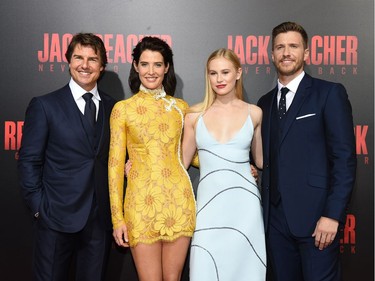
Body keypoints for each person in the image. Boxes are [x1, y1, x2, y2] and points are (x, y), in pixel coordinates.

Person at [257, 22, 357, 281]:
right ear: (271, 54)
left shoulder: (328, 93)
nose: (286, 52)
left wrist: (332, 216)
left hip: (317, 222)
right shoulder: (264, 103)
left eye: (293, 46)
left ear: (307, 53)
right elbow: (263, 158)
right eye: (280, 47)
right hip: (274, 224)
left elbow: (344, 159)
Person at [18, 33, 117, 281]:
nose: (85, 65)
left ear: (102, 66)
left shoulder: (114, 107)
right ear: (68, 61)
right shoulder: (44, 105)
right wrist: (40, 209)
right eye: (78, 57)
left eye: (92, 59)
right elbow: (29, 160)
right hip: (55, 218)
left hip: (98, 221)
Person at [108, 36, 196, 281]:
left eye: (158, 64)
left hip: (179, 202)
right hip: (139, 205)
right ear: (136, 65)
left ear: (167, 67)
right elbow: (115, 166)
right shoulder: (123, 109)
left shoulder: (181, 107)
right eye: (144, 64)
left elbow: (192, 155)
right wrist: (117, 218)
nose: (151, 71)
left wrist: (236, 161)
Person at [182, 48, 266, 281]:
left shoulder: (255, 114)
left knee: (246, 271)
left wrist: (247, 169)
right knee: (204, 269)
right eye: (213, 73)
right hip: (209, 208)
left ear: (238, 73)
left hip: (245, 207)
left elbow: (260, 161)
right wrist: (139, 165)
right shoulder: (194, 117)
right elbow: (180, 165)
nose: (219, 79)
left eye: (225, 72)